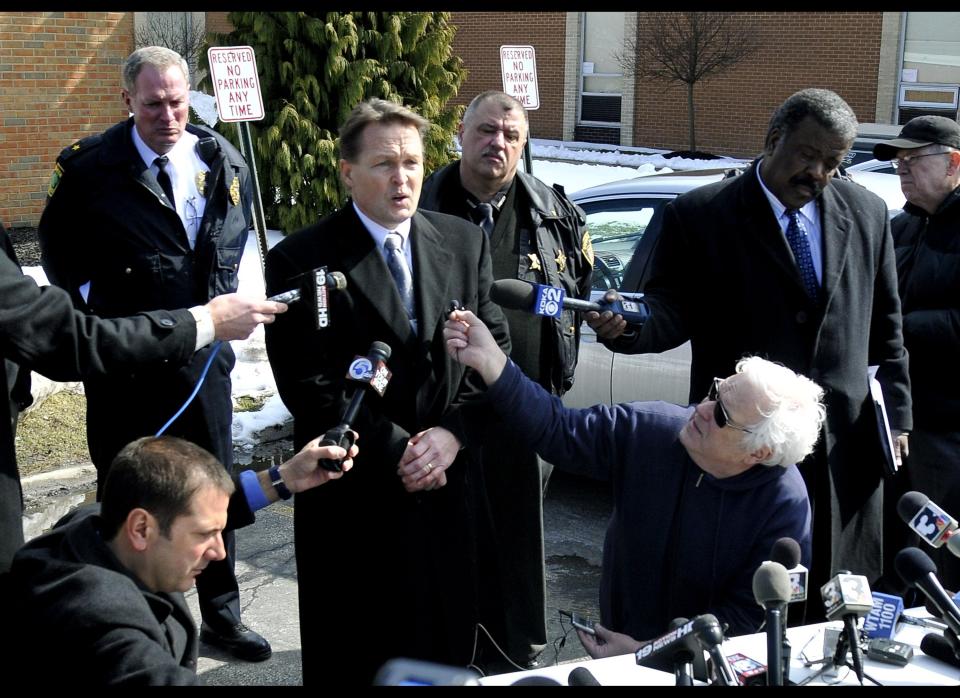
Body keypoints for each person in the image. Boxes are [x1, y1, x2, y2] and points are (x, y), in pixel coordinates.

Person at [585, 88, 912, 619]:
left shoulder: (868, 212)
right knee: (751, 606)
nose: (819, 174)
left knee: (831, 608)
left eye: (834, 162)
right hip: (742, 447)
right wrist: (625, 327)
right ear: (773, 139)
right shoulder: (701, 215)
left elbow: (886, 331)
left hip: (840, 454)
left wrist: (896, 416)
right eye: (809, 156)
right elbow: (671, 310)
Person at [263, 98, 511, 685]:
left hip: (444, 494)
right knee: (355, 656)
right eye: (384, 165)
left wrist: (451, 437)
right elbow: (309, 382)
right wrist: (401, 448)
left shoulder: (462, 241)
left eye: (412, 163)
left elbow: (494, 355)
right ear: (347, 172)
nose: (402, 179)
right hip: (355, 501)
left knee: (442, 656)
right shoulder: (302, 257)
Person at [36, 46, 268, 660]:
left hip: (202, 366)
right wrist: (111, 319)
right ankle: (137, 627)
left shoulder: (218, 156)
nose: (170, 115)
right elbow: (61, 262)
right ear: (127, 101)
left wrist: (227, 313)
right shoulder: (88, 169)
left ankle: (222, 614)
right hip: (126, 365)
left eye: (179, 100)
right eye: (154, 103)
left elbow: (234, 239)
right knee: (131, 498)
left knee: (210, 488)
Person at [441, 309, 822, 646]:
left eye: (722, 415)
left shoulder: (785, 505)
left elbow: (745, 618)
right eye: (714, 391)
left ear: (759, 452)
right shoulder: (650, 429)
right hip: (619, 642)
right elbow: (557, 431)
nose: (702, 409)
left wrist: (648, 650)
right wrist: (494, 363)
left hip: (709, 666)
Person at [0, 220, 284, 578]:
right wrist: (203, 323)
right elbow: (61, 337)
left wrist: (284, 478)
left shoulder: (223, 163)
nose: (214, 549)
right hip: (123, 372)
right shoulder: (90, 170)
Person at [419, 90, 593, 670]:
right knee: (444, 539)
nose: (499, 143)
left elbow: (574, 298)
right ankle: (445, 648)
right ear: (461, 134)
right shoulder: (418, 202)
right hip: (441, 409)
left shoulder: (554, 212)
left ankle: (513, 655)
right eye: (487, 130)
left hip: (526, 408)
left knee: (517, 542)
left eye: (512, 135)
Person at [9, 434, 356, 685]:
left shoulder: (95, 526)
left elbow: (197, 511)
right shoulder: (107, 631)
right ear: (141, 528)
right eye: (205, 535)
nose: (220, 552)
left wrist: (287, 477)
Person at [873, 115, 960, 591]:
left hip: (947, 435)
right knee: (893, 549)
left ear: (954, 164)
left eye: (914, 159)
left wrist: (895, 328)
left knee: (938, 550)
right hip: (895, 425)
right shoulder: (901, 227)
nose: (903, 170)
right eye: (898, 162)